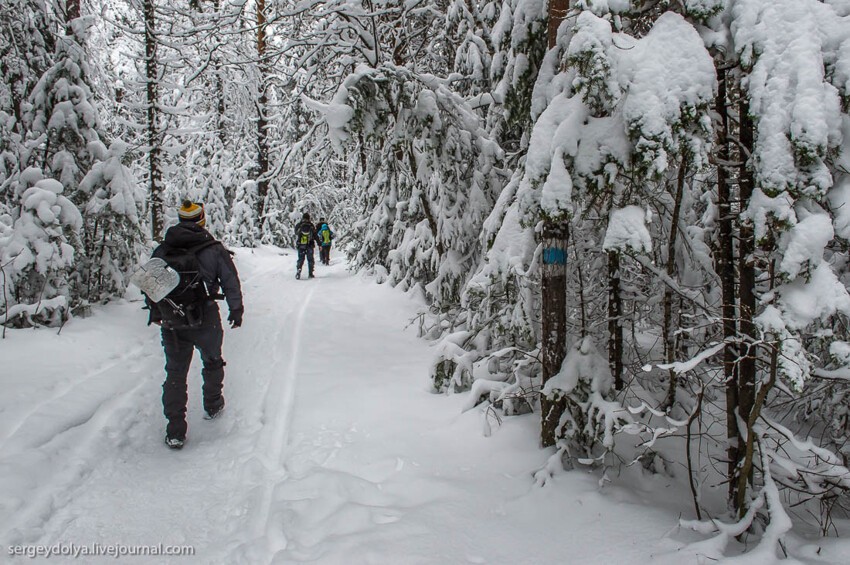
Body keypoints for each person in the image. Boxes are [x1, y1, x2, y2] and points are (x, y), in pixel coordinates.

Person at [146, 200, 243, 449]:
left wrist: (157, 312)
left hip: (172, 322)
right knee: (212, 361)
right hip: (206, 316)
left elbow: (150, 286)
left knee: (175, 373)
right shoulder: (213, 249)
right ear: (202, 219)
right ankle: (213, 404)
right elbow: (230, 280)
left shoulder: (162, 250)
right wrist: (236, 309)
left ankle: (175, 431)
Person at [294, 212, 319, 279]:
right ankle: (310, 273)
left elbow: (296, 232)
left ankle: (299, 269)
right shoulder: (311, 225)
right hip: (309, 245)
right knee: (310, 259)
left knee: (301, 259)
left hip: (301, 245)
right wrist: (319, 244)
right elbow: (315, 235)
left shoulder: (299, 225)